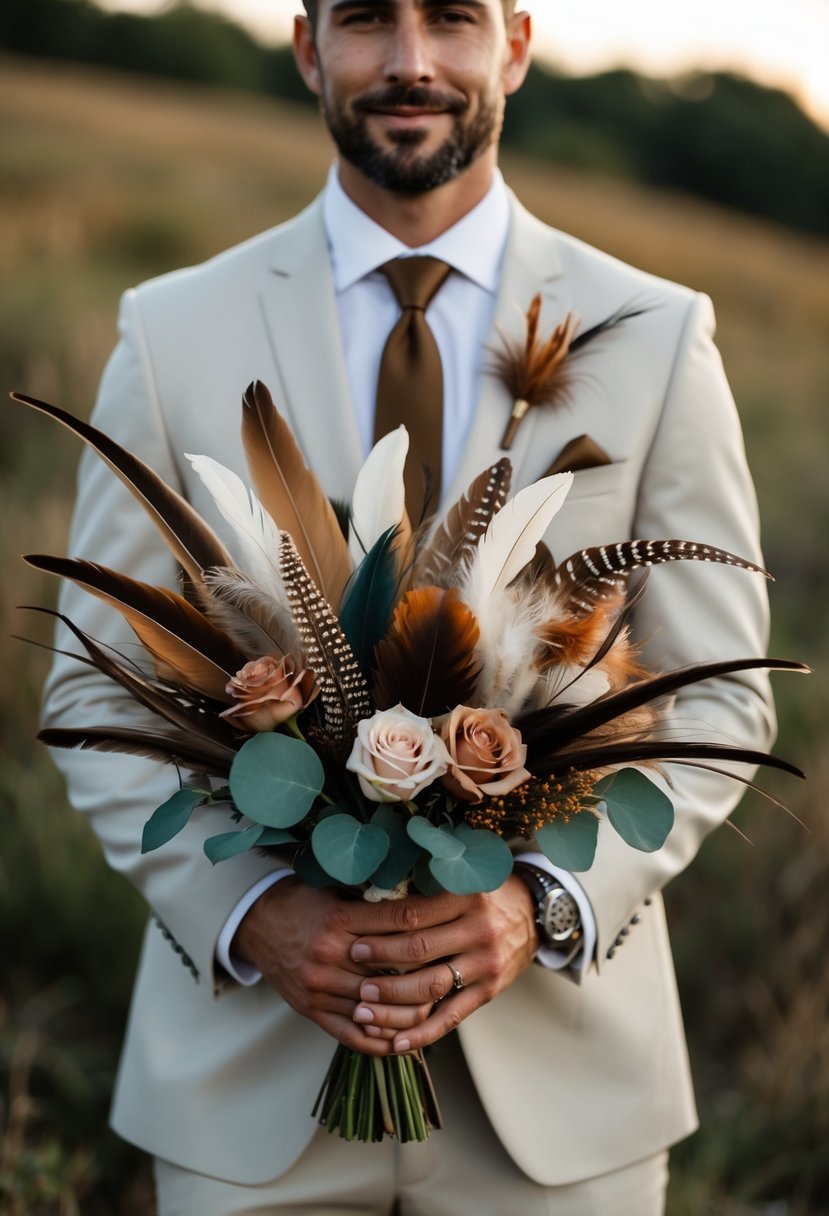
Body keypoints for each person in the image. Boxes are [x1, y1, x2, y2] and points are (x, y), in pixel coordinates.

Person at [43, 1, 775, 1212]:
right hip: (243, 1086)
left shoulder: (656, 334)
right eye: (367, 18)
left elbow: (725, 697)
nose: (411, 61)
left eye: (452, 16)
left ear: (518, 44)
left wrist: (541, 904)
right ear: (305, 46)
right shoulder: (168, 331)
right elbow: (87, 689)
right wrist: (251, 917)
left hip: (561, 1097)